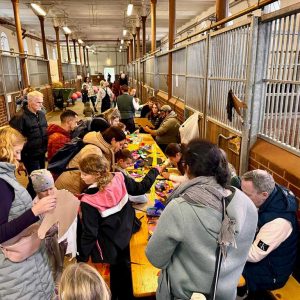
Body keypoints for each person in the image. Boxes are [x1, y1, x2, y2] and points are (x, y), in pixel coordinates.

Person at [146, 139, 258, 300]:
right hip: (226, 292)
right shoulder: (246, 204)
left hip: (184, 295)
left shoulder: (180, 207)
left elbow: (156, 258)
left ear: (187, 167)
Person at [77, 154, 161, 300]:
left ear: (97, 174)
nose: (81, 176)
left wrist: (82, 259)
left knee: (117, 277)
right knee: (126, 271)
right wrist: (154, 170)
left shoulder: (88, 201)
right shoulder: (118, 177)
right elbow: (141, 188)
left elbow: (89, 233)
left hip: (111, 246)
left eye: (85, 173)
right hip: (128, 231)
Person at [0, 126, 55, 299]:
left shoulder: (5, 178)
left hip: (24, 265)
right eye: (16, 152)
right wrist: (35, 211)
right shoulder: (2, 184)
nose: (18, 158)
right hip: (16, 270)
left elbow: (13, 212)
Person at [240, 170, 298, 297]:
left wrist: (229, 247)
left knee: (229, 270)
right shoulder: (271, 194)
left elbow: (254, 255)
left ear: (264, 194)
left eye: (247, 194)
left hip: (273, 273)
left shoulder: (278, 222)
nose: (242, 197)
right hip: (267, 258)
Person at [55, 126, 126, 195]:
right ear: (113, 140)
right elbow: (93, 174)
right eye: (120, 144)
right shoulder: (93, 150)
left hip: (78, 184)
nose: (121, 147)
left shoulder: (105, 148)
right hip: (70, 186)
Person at [9, 90, 48, 197]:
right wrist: (19, 160)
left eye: (41, 102)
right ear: (30, 102)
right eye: (38, 103)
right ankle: (28, 201)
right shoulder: (19, 117)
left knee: (40, 178)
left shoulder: (41, 114)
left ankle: (33, 199)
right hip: (29, 155)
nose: (41, 105)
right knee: (35, 180)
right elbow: (14, 139)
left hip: (41, 153)